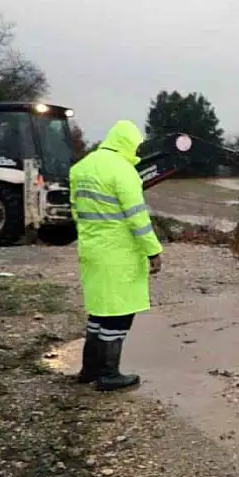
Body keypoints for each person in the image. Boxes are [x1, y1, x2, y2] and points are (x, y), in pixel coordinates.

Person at [69, 119, 163, 391]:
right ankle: (109, 374)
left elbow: (77, 212)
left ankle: (89, 369)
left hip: (91, 249)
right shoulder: (124, 171)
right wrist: (153, 250)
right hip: (118, 253)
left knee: (99, 311)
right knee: (119, 314)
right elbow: (137, 218)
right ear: (128, 142)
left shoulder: (81, 168)